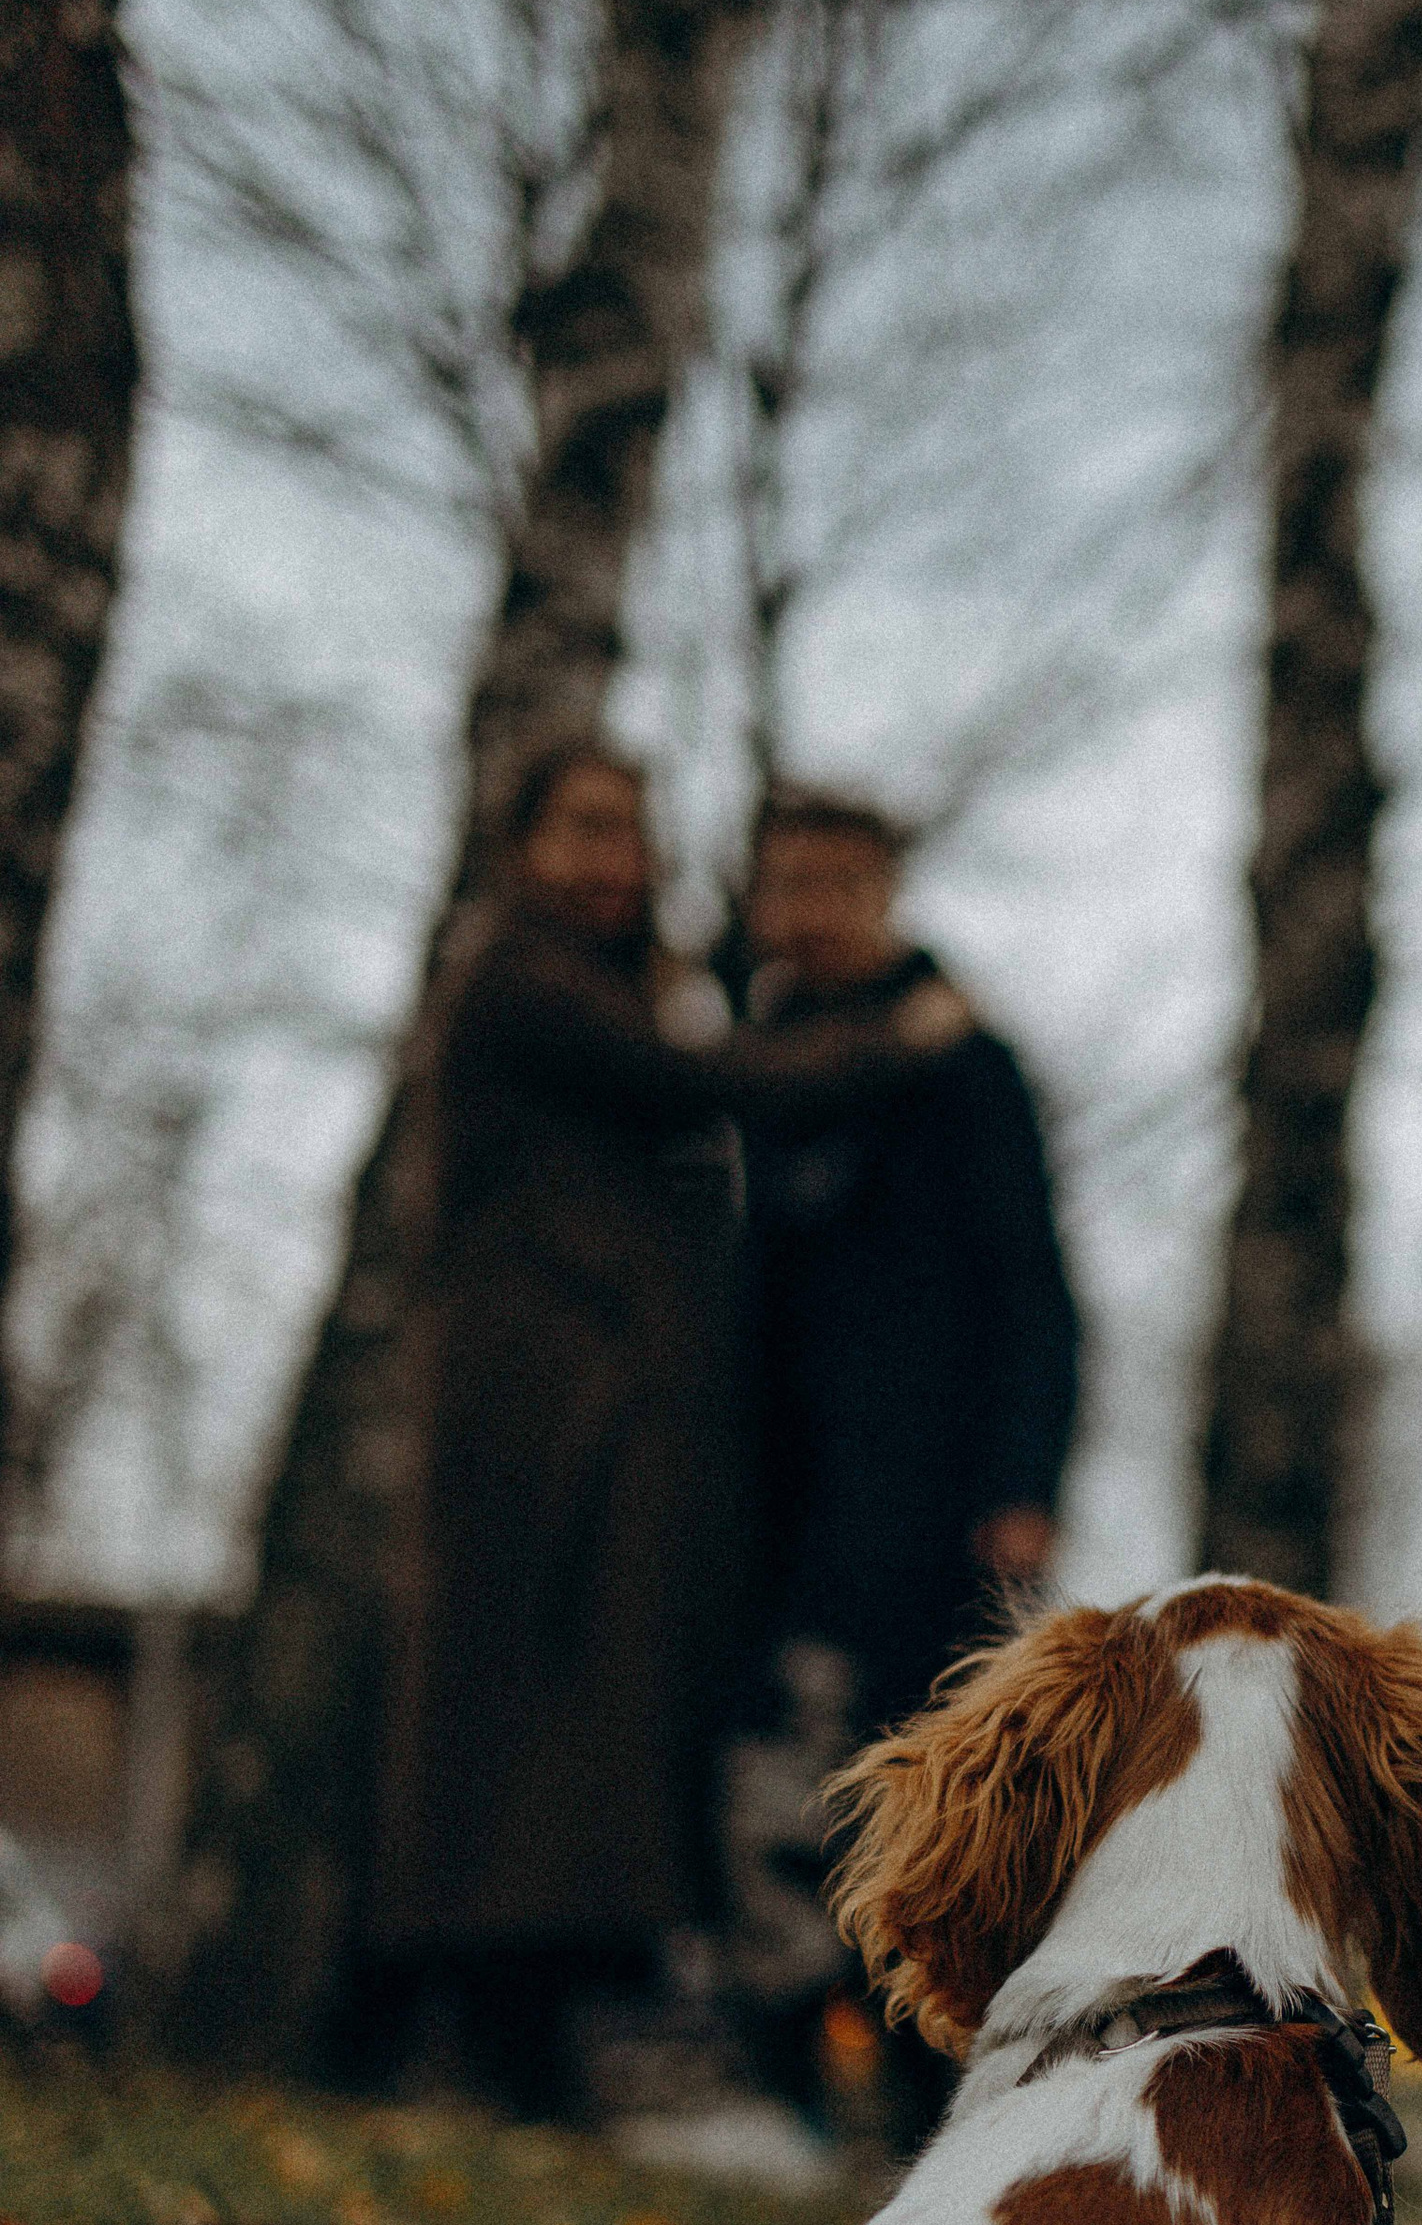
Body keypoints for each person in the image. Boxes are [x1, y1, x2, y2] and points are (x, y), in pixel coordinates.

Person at [366, 746, 972, 2124]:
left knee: (590, 1731)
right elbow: (705, 1080)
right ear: (520, 843)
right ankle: (500, 2032)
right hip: (540, 1423)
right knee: (526, 1722)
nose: (613, 861)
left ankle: (547, 2035)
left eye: (631, 833)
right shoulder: (522, 980)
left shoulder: (608, 979)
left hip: (606, 1417)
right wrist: (899, 1037)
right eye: (583, 828)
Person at [732, 787, 1079, 2139]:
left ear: (884, 891)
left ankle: (946, 2098)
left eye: (837, 882)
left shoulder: (966, 1065)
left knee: (933, 1800)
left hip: (936, 1503)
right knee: (778, 1788)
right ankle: (790, 2089)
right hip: (777, 1503)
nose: (809, 911)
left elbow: (1032, 1286)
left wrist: (1023, 1483)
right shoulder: (760, 1058)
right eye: (787, 883)